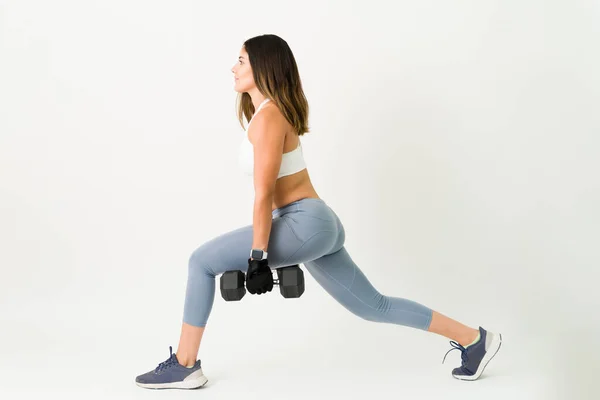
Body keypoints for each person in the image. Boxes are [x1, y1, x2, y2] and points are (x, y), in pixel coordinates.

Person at [134, 34, 502, 390]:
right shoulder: (265, 114)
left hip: (304, 222)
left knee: (201, 261)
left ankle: (184, 366)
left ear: (263, 68)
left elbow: (263, 195)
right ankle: (475, 340)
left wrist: (258, 258)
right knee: (373, 306)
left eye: (241, 60)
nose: (233, 67)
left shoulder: (269, 117)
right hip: (314, 223)